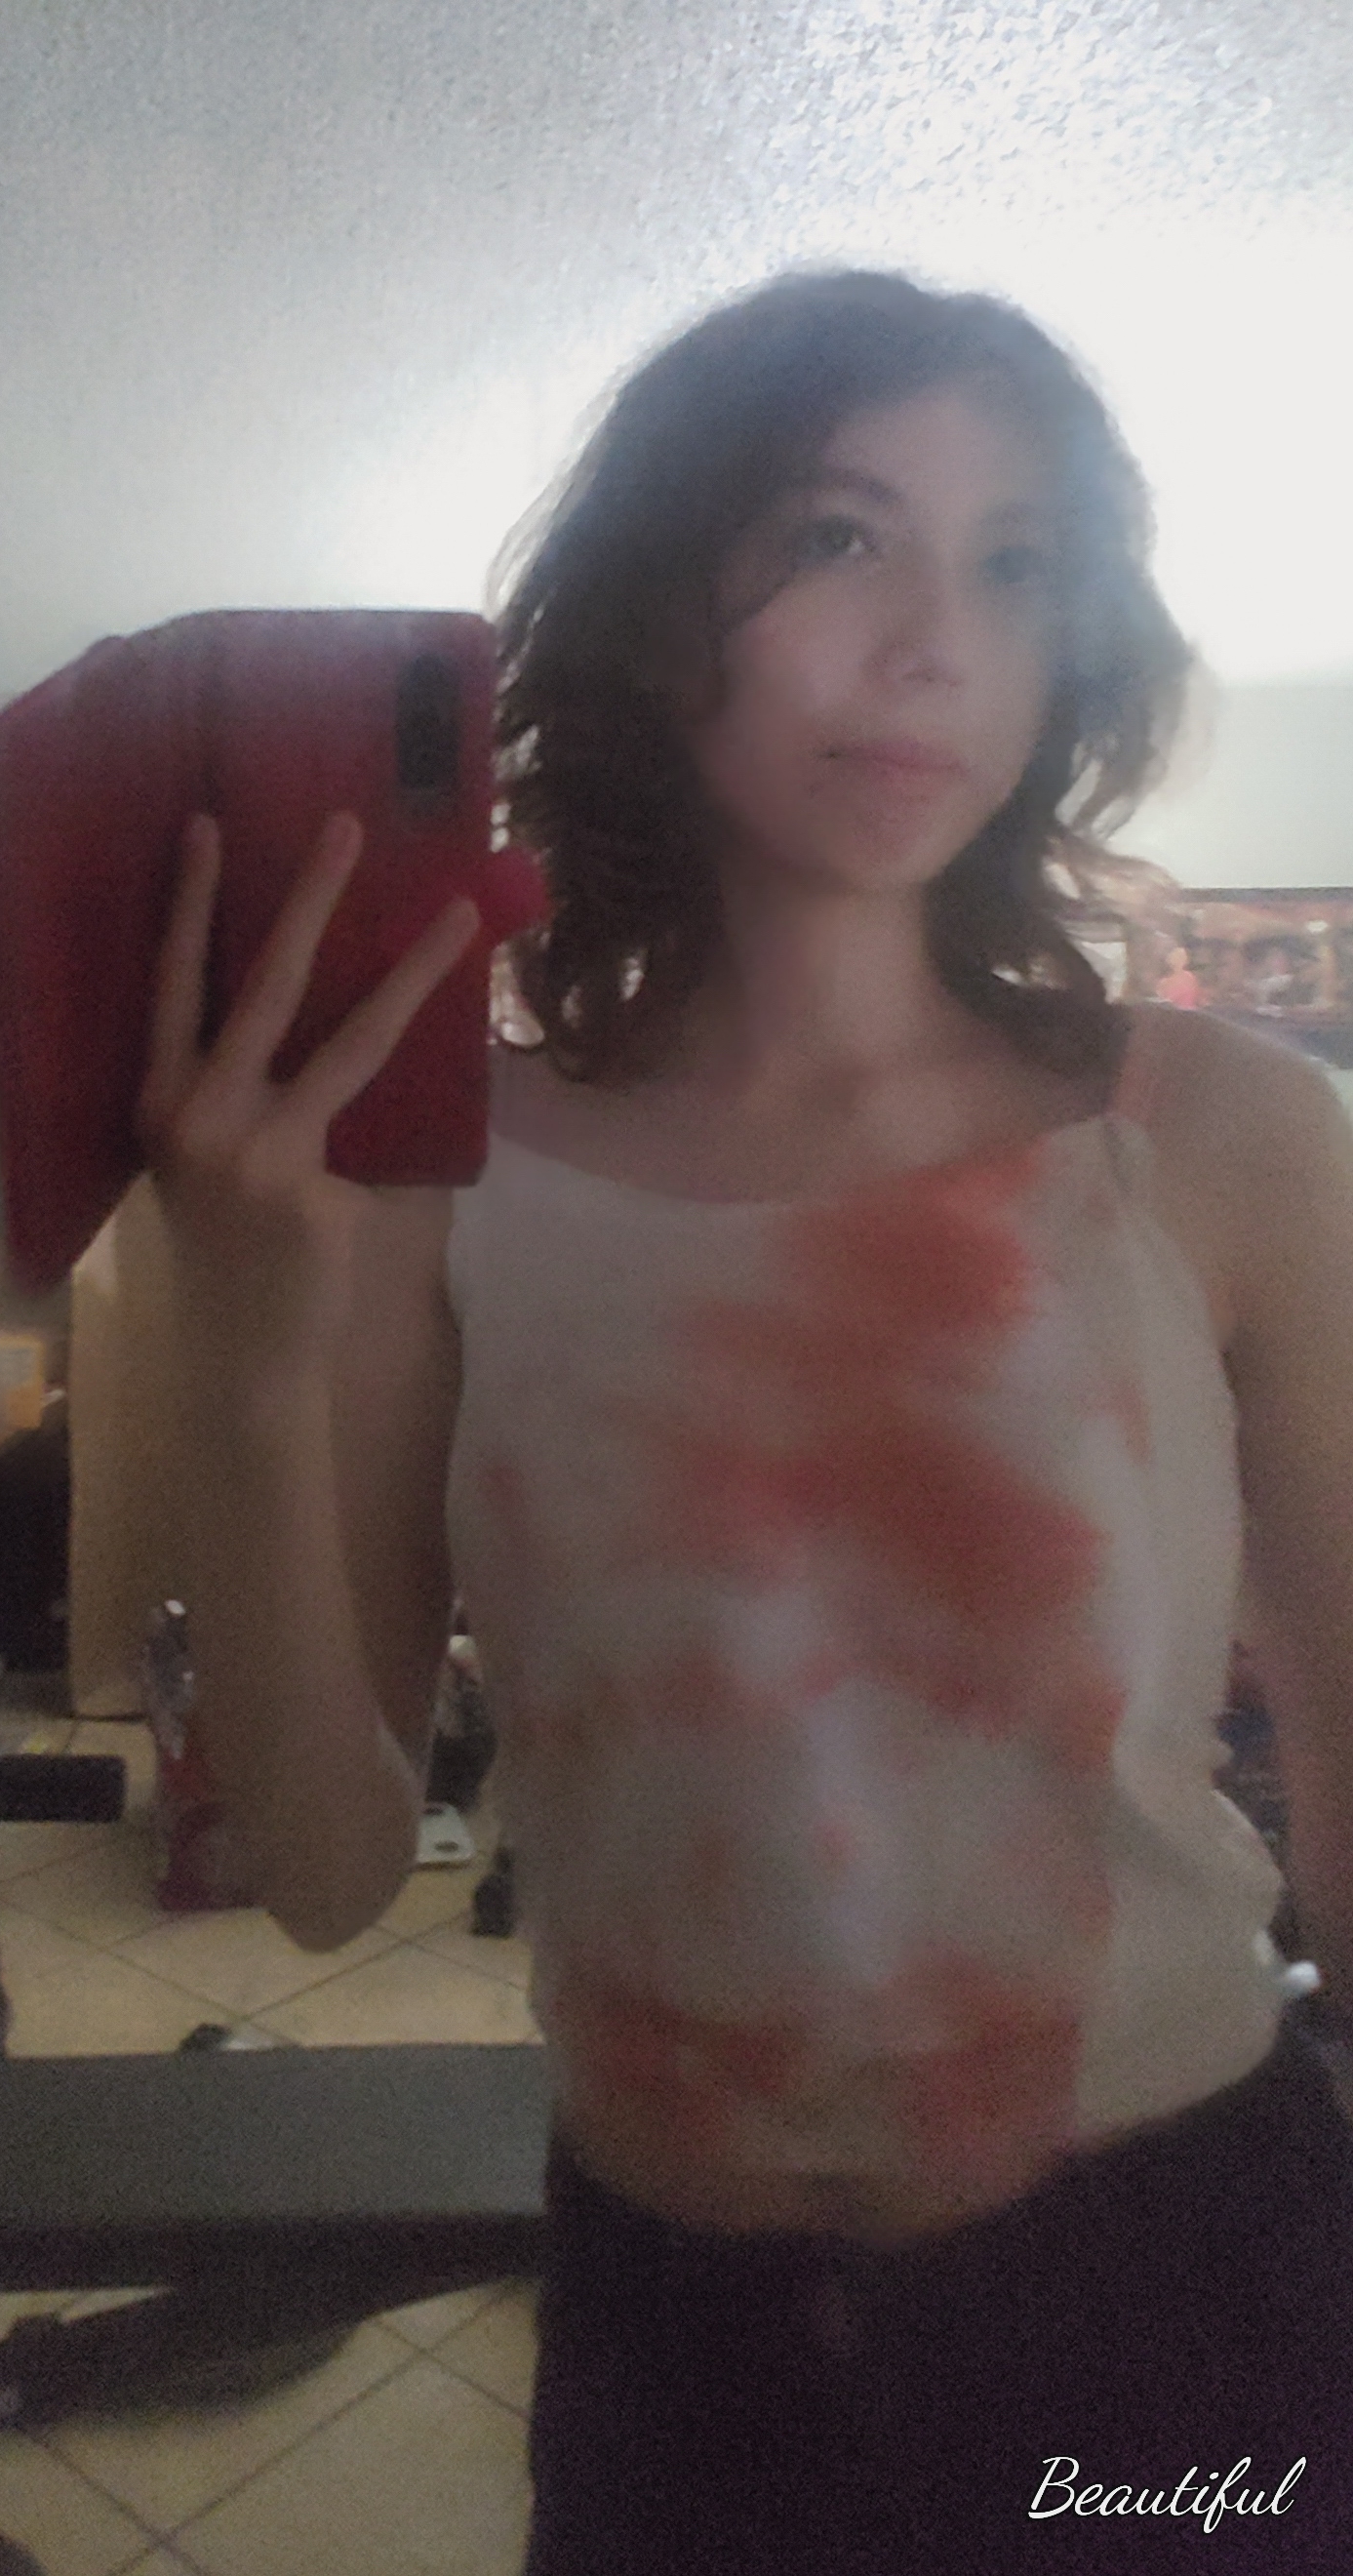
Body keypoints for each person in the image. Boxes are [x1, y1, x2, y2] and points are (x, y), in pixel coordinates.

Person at [135, 269, 1353, 2572]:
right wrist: (245, 1346)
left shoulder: (1219, 1145)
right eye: (836, 536)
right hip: (674, 2344)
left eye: (1013, 564)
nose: (934, 644)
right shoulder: (434, 1183)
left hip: (1179, 2289)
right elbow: (315, 1873)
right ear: (650, 609)